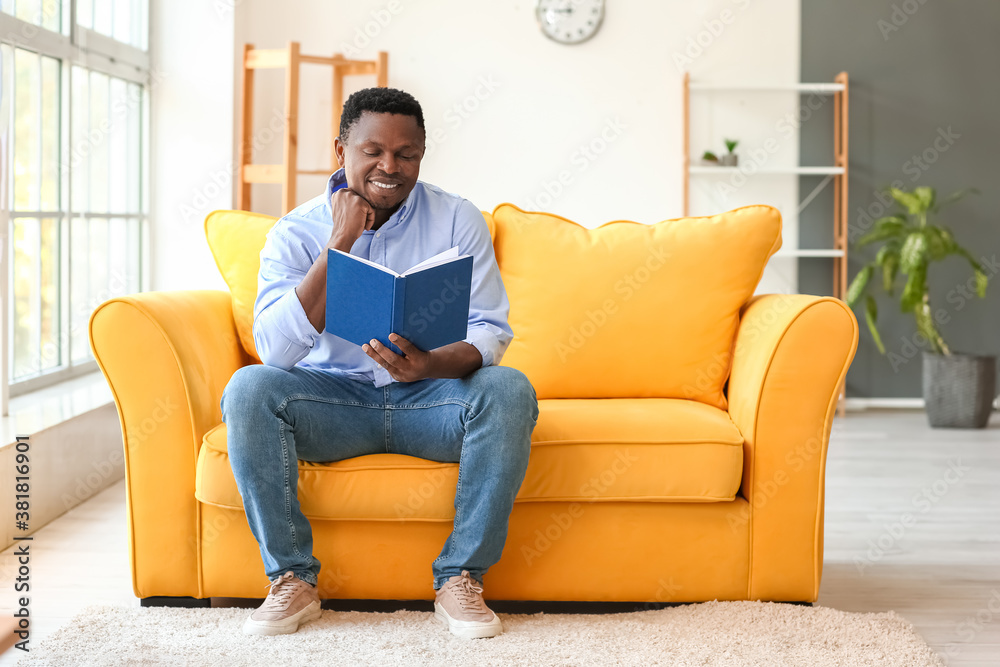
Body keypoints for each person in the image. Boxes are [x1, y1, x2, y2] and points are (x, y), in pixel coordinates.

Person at [220, 87, 538, 639]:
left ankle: (460, 576)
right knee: (249, 388)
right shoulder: (296, 231)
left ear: (420, 156)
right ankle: (292, 579)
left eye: (406, 154)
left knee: (509, 388)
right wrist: (339, 243)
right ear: (340, 151)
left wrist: (432, 363)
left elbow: (490, 329)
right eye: (373, 151)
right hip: (330, 403)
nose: (390, 167)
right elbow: (274, 351)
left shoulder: (458, 218)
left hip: (428, 402)